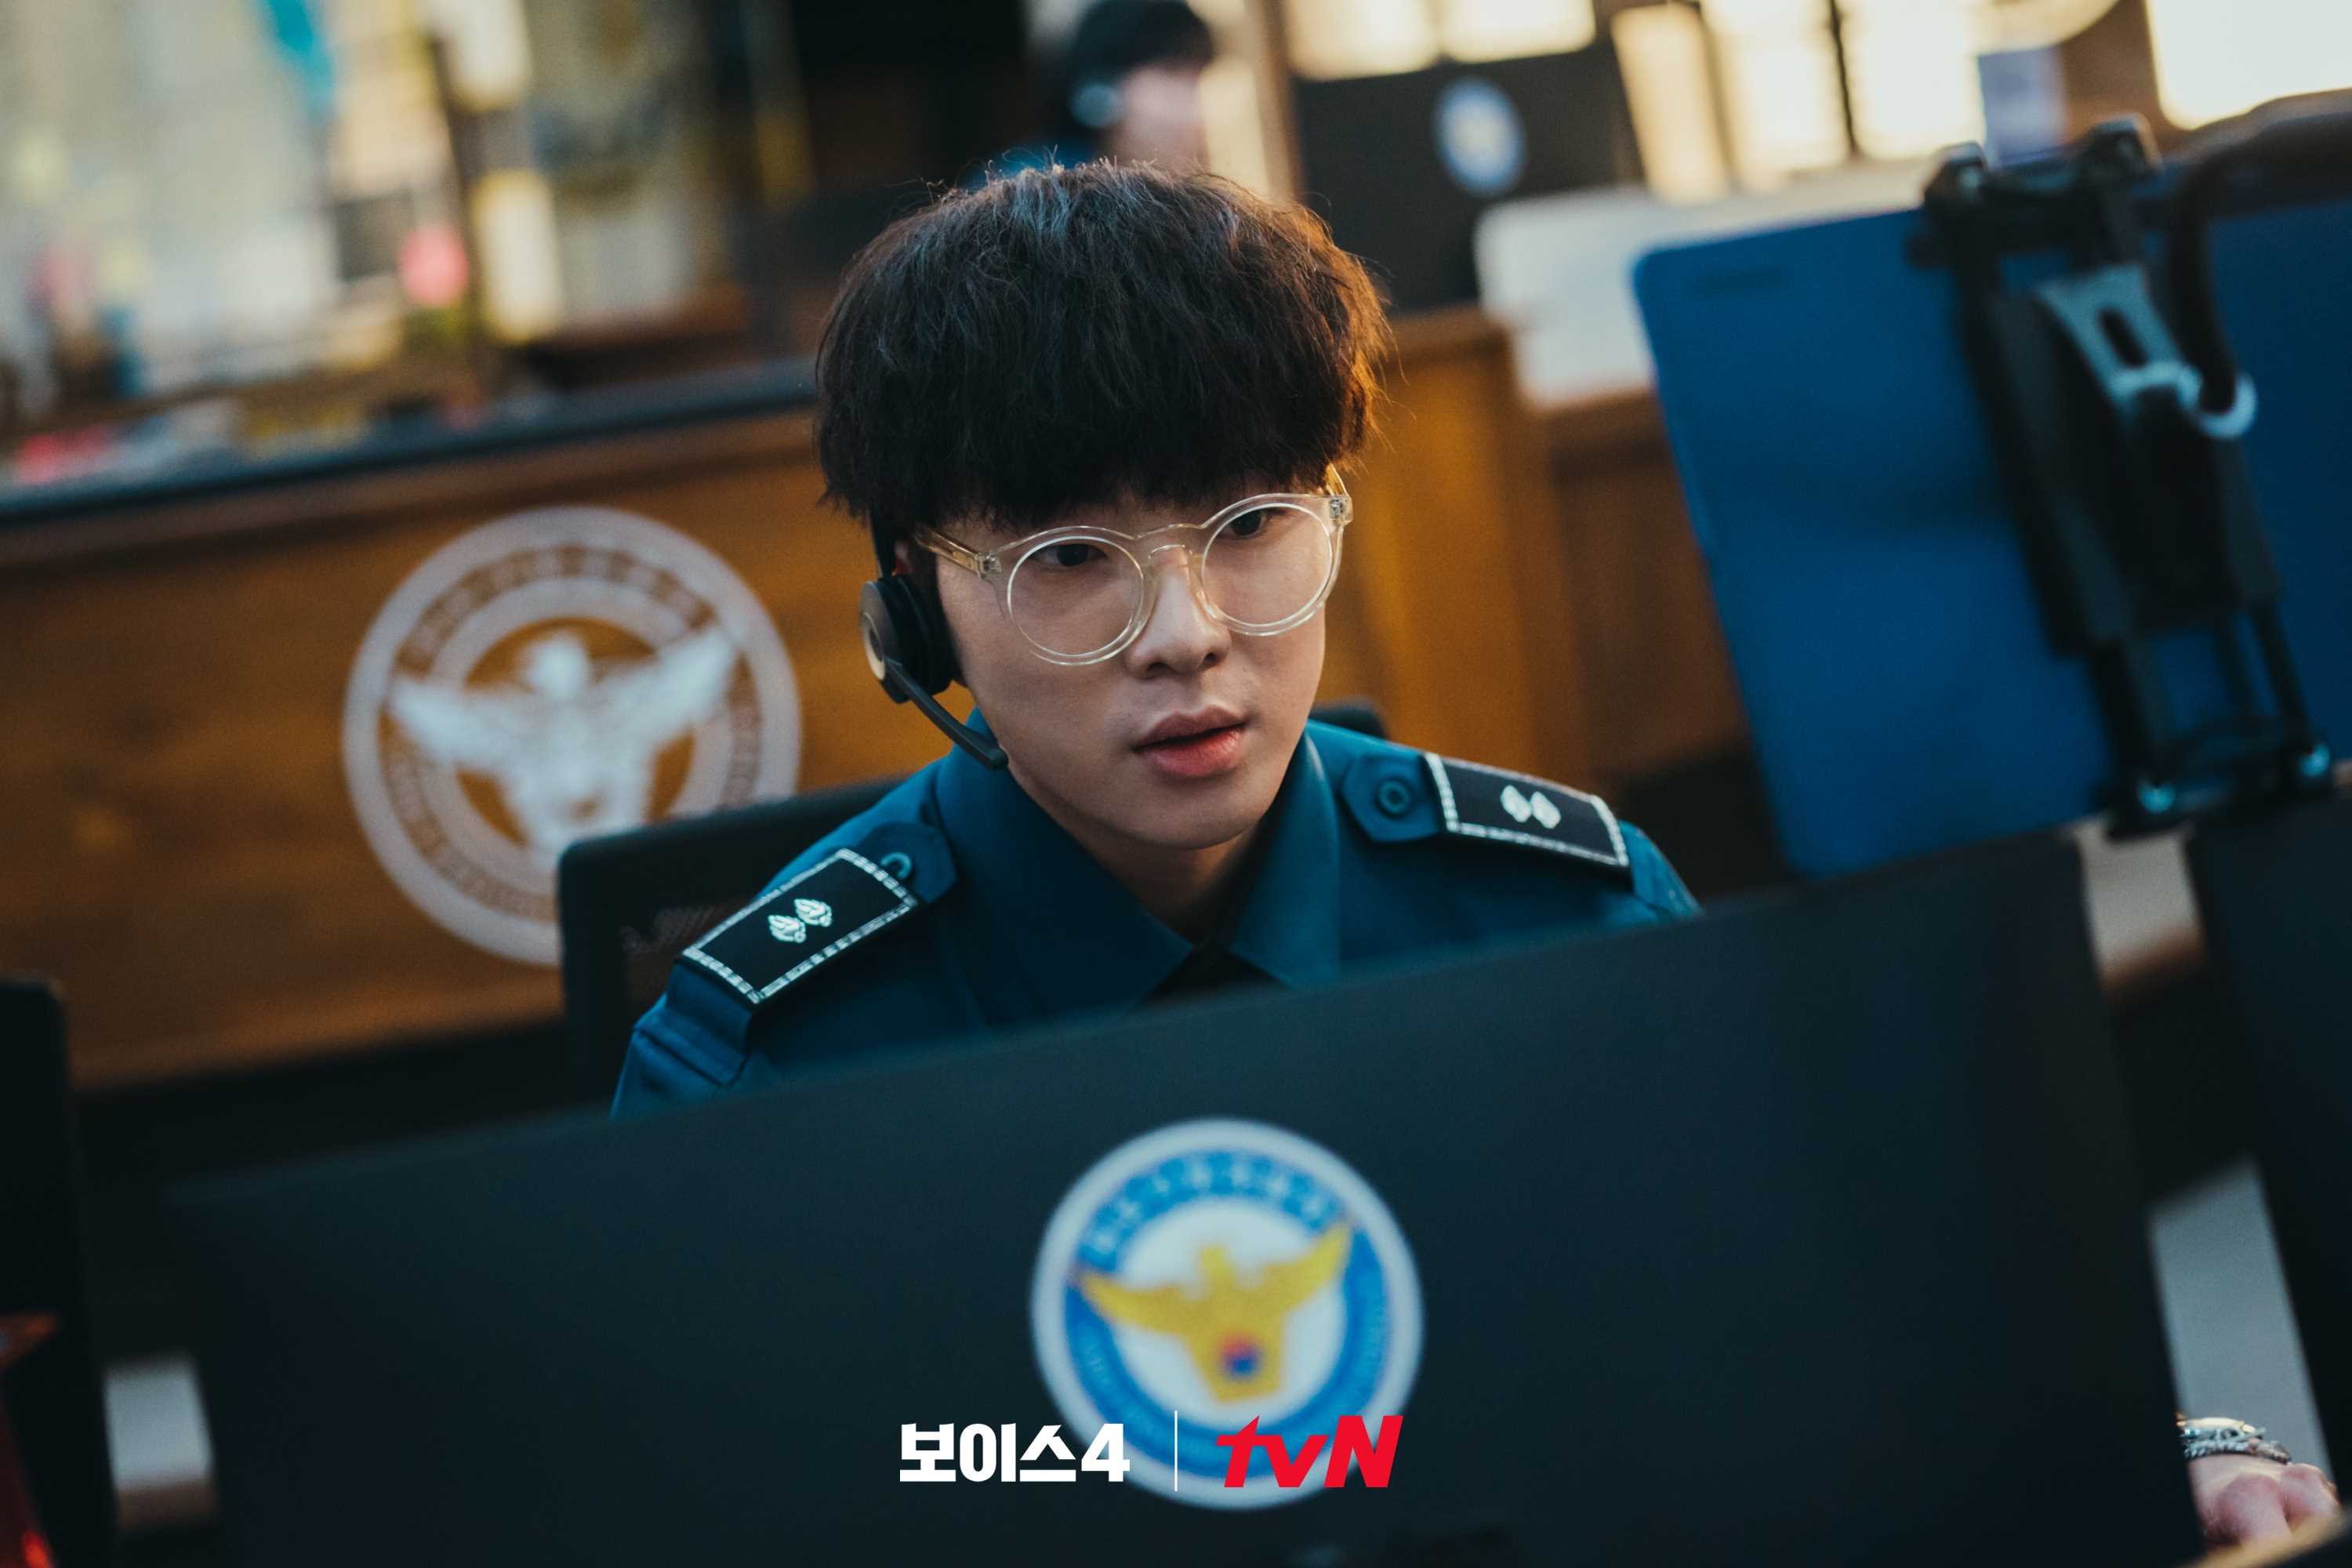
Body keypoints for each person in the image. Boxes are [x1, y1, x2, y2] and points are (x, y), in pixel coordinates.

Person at [612, 162, 2338, 1545]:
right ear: (915, 613)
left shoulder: (1563, 907)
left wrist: (2163, 1446)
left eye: (1252, 525)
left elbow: (1829, 1318)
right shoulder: (762, 1057)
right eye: (1069, 559)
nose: (1188, 634)